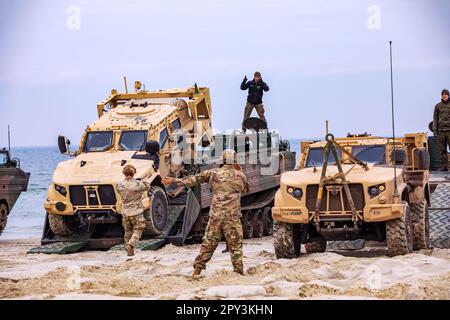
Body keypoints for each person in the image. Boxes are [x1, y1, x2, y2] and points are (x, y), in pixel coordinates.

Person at [163, 149, 249, 277]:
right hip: (232, 217)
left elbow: (192, 180)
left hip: (216, 216)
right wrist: (239, 170)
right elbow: (246, 190)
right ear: (235, 160)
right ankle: (238, 272)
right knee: (236, 246)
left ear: (222, 160)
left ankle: (197, 270)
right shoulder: (241, 176)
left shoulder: (213, 173)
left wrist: (173, 181)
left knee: (208, 244)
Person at [117, 164, 151, 256]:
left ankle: (129, 252)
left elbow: (120, 191)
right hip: (136, 212)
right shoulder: (138, 184)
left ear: (124, 173)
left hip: (125, 213)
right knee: (138, 229)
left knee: (127, 232)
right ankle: (131, 244)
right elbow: (148, 187)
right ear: (134, 173)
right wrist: (143, 181)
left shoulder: (119, 185)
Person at [433, 89, 450, 171]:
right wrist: (434, 130)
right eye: (443, 94)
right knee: (442, 149)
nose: (444, 95)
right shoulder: (438, 106)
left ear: (448, 95)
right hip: (441, 131)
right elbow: (435, 118)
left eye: (446, 94)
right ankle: (444, 166)